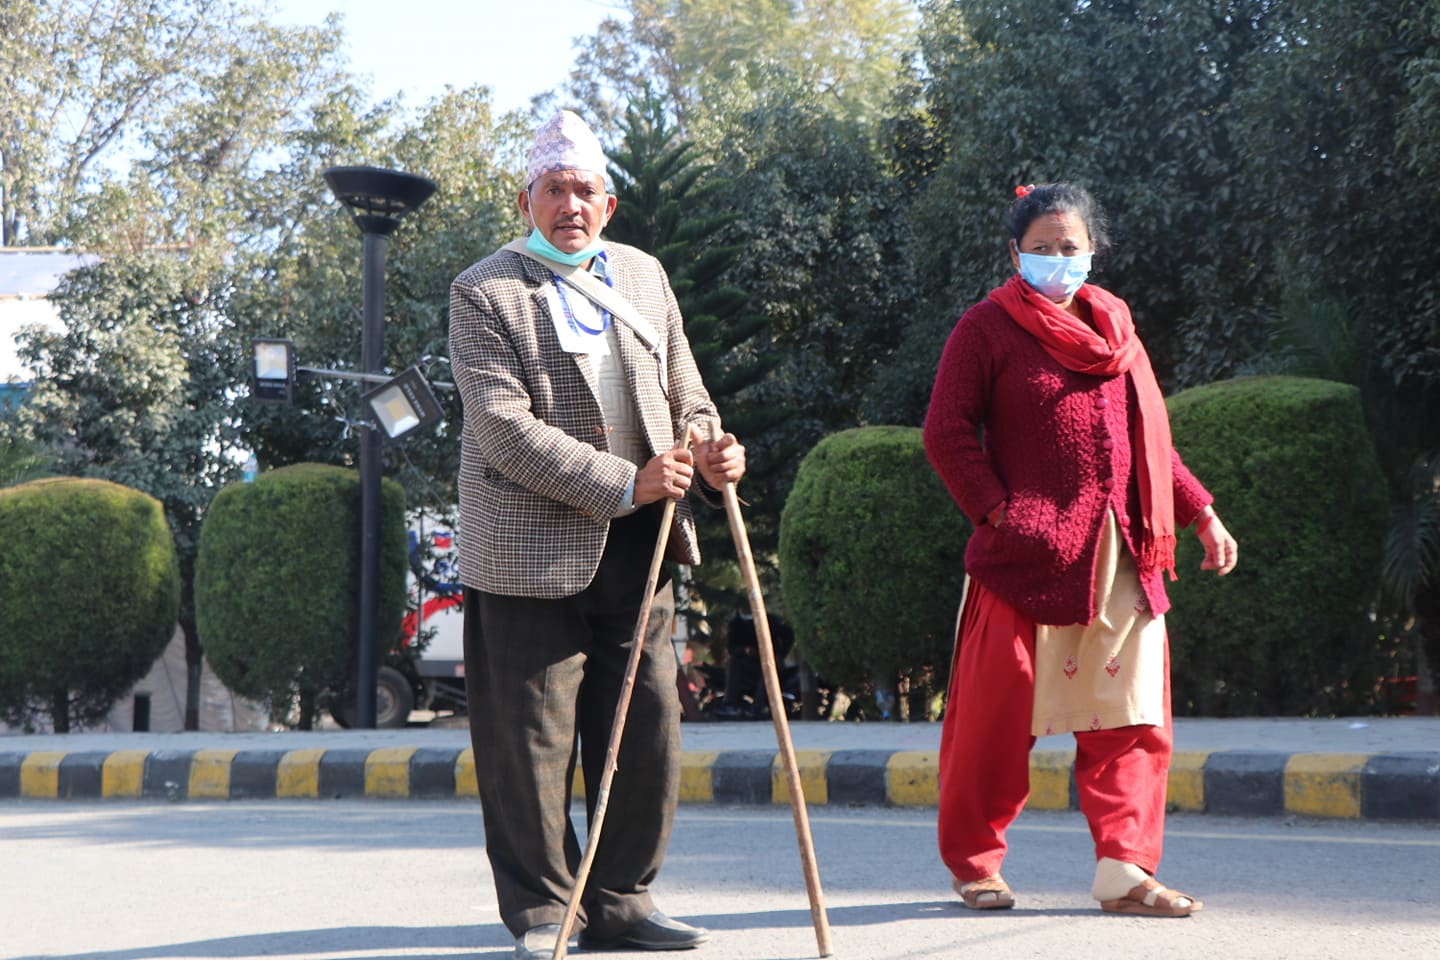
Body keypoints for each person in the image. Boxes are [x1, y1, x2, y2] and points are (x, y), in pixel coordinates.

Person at [448, 110, 745, 959]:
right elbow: (503, 430)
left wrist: (709, 444)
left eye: (584, 191)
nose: (569, 205)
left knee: (646, 724)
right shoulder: (486, 290)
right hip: (528, 549)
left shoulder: (645, 277)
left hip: (644, 542)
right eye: (553, 190)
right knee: (531, 742)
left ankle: (621, 901)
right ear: (526, 201)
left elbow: (686, 389)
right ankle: (546, 910)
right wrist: (624, 480)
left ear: (608, 204)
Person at [923, 182, 1238, 918]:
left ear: (1092, 252)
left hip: (1122, 554)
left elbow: (1149, 444)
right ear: (1014, 253)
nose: (1057, 261)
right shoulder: (985, 329)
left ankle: (1124, 871)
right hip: (1022, 558)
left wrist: (1202, 515)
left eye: (1070, 248)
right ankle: (975, 866)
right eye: (1041, 249)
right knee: (991, 724)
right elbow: (946, 432)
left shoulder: (1118, 333)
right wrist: (1000, 514)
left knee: (1131, 720)